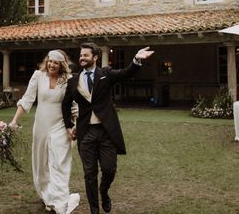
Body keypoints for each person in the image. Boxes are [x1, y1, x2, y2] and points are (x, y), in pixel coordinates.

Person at [62, 42, 154, 214]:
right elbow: (65, 104)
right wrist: (68, 126)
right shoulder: (73, 80)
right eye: (81, 55)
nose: (82, 58)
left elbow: (126, 73)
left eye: (86, 55)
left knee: (109, 169)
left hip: (106, 132)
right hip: (86, 133)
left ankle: (104, 192)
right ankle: (94, 211)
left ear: (95, 57)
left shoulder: (106, 74)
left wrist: (136, 60)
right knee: (90, 175)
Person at [9, 49, 79, 214]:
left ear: (62, 64)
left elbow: (74, 106)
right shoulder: (38, 76)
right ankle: (48, 197)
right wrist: (14, 121)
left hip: (61, 126)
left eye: (55, 62)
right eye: (50, 61)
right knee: (41, 164)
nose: (52, 65)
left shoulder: (68, 80)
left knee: (60, 163)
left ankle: (60, 201)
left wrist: (74, 126)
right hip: (41, 126)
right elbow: (27, 99)